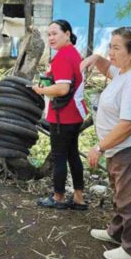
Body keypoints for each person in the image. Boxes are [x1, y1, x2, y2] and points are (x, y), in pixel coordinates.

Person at [80, 27, 131, 259]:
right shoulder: (125, 72)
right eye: (109, 46)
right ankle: (116, 233)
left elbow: (129, 124)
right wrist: (96, 59)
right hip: (120, 148)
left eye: (116, 48)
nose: (110, 52)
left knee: (130, 199)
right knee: (120, 194)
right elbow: (109, 68)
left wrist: (99, 147)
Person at [33, 20, 88, 210]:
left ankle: (58, 197)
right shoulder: (73, 53)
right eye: (49, 34)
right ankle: (79, 198)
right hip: (75, 114)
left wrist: (40, 90)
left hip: (62, 116)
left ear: (67, 34)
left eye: (55, 33)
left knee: (59, 156)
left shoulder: (63, 56)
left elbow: (63, 88)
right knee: (73, 155)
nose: (51, 38)